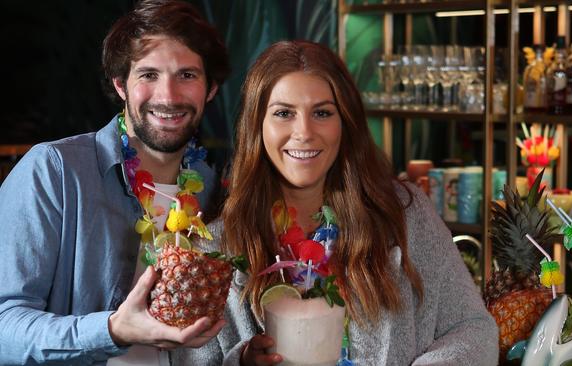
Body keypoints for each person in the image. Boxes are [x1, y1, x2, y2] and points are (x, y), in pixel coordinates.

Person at [173, 40, 498, 365]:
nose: (304, 132)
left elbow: (473, 330)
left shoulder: (404, 214)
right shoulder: (215, 246)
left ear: (346, 122)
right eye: (284, 113)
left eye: (322, 113)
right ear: (257, 126)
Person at [0, 0, 230, 365]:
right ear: (121, 84)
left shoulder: (209, 185)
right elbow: (4, 328)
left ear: (211, 88)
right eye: (149, 75)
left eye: (187, 75)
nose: (168, 96)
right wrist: (111, 330)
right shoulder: (55, 172)